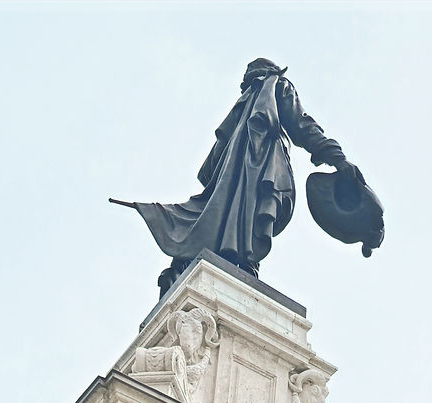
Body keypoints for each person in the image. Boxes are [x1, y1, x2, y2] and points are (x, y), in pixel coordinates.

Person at [120, 58, 365, 295]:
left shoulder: (264, 92)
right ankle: (240, 263)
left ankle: (193, 264)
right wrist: (337, 158)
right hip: (261, 165)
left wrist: (336, 156)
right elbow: (303, 125)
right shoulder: (270, 88)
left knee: (223, 212)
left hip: (242, 171)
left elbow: (212, 166)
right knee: (248, 211)